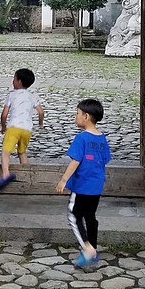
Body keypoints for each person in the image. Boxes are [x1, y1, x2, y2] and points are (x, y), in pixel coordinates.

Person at [55, 98, 111, 268]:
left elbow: (75, 161)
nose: (75, 116)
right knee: (90, 217)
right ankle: (93, 249)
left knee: (74, 215)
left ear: (86, 116)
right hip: (96, 185)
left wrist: (63, 180)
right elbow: (105, 159)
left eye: (77, 113)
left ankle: (87, 249)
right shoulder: (102, 138)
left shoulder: (81, 139)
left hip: (82, 186)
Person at [0, 67, 44, 190]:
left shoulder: (11, 95)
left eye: (14, 79)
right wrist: (40, 123)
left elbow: (4, 114)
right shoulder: (32, 96)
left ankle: (6, 174)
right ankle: (27, 176)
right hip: (27, 130)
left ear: (19, 81)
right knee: (22, 152)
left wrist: (3, 127)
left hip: (13, 128)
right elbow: (41, 112)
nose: (13, 81)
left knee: (6, 152)